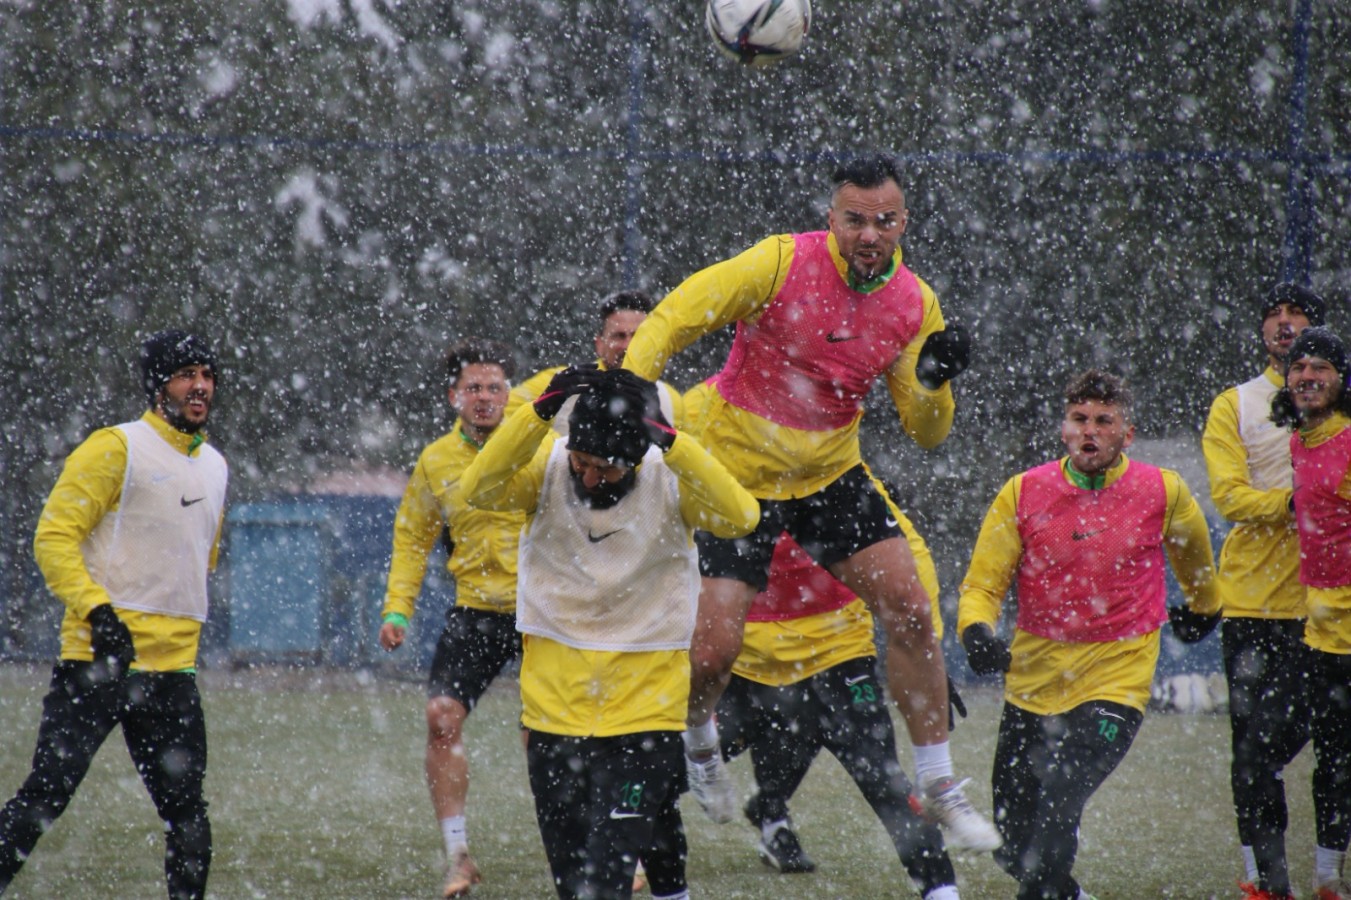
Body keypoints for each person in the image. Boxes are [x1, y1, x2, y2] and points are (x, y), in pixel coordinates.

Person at [622, 152, 996, 850]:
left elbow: (924, 431)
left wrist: (936, 381)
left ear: (902, 223)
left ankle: (939, 782)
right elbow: (674, 315)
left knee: (912, 611)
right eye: (853, 220)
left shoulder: (915, 302)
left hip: (828, 476)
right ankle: (699, 740)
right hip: (739, 479)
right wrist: (635, 386)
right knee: (711, 654)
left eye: (883, 221)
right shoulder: (777, 263)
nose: (868, 234)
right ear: (831, 219)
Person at [459, 366, 759, 900]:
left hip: (645, 716)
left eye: (610, 469)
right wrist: (538, 413)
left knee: (606, 884)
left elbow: (741, 516)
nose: (592, 478)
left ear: (642, 454)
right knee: (574, 886)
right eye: (584, 462)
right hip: (553, 713)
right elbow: (478, 488)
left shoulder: (671, 478)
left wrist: (673, 443)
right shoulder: (548, 468)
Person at [956, 369, 1219, 900]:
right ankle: (1065, 892)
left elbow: (1197, 564)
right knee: (1011, 841)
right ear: (1063, 429)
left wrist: (1204, 607)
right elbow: (983, 584)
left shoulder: (1162, 490)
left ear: (1128, 434)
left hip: (1117, 677)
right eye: (1080, 419)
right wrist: (976, 631)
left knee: (1060, 798)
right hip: (1034, 678)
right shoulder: (1023, 491)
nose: (1090, 430)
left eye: (1104, 420)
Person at [0, 331, 226, 899]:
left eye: (207, 374)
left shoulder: (218, 467)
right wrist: (99, 611)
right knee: (44, 798)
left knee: (189, 820)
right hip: (97, 664)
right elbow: (54, 538)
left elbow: (202, 559)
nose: (199, 386)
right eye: (185, 374)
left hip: (173, 673)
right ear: (157, 385)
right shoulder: (115, 447)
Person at [377, 337, 525, 898]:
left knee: (551, 734)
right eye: (473, 388)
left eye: (493, 387)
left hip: (541, 612)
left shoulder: (537, 447)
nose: (484, 397)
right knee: (441, 716)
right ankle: (458, 854)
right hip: (477, 612)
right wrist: (397, 608)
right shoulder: (436, 460)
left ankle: (590, 845)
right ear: (453, 397)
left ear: (509, 395)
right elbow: (413, 538)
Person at [1199, 283, 1328, 895]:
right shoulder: (1237, 404)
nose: (1283, 325)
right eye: (1272, 316)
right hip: (1253, 604)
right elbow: (1229, 497)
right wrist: (1301, 503)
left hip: (1328, 605)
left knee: (1332, 743)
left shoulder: (1342, 407)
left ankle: (1327, 873)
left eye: (1295, 317)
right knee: (1250, 751)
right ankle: (1264, 879)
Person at [1254, 327, 1351, 900]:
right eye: (1298, 367)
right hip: (1322, 636)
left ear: (1342, 380)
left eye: (1321, 367)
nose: (1308, 376)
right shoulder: (1300, 442)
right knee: (1326, 763)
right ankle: (1324, 877)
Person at [507, 290, 683, 429]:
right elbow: (498, 414)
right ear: (599, 343)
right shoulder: (561, 384)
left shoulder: (670, 400)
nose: (628, 346)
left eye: (637, 336)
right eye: (619, 336)